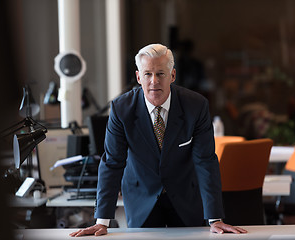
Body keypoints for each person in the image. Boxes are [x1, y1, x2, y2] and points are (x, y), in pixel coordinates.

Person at [70, 44, 247, 237]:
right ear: (138, 77)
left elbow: (205, 161)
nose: (154, 81)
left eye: (161, 74)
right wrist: (102, 220)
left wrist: (215, 218)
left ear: (172, 75)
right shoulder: (121, 110)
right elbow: (112, 163)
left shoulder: (196, 106)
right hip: (141, 197)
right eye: (147, 74)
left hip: (185, 197)